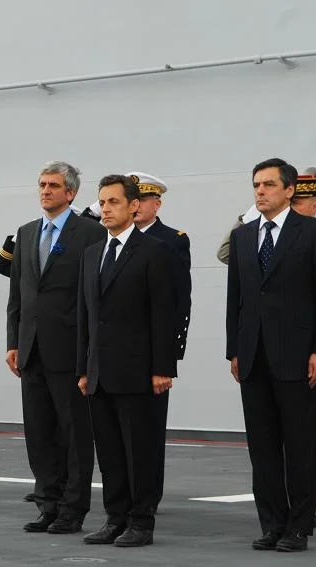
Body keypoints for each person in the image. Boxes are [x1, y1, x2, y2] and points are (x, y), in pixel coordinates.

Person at [216, 171, 316, 529]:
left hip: (298, 357)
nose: (260, 191)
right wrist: (234, 350)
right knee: (262, 447)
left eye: (269, 185)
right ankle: (271, 525)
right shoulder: (244, 236)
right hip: (254, 356)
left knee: (301, 446)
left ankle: (299, 525)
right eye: (256, 185)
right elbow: (237, 299)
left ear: (289, 190)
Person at [77, 174, 176, 547]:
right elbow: (86, 317)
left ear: (134, 206)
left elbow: (163, 313)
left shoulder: (154, 251)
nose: (105, 209)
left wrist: (163, 368)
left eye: (113, 202)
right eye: (102, 202)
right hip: (100, 371)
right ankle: (115, 518)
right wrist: (83, 369)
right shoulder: (92, 254)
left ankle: (141, 522)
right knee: (110, 452)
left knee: (140, 451)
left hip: (138, 370)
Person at [6, 161, 105, 534]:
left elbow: (95, 297)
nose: (45, 191)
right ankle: (47, 503)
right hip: (31, 350)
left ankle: (72, 509)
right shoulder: (27, 233)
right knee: (40, 433)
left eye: (53, 185)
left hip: (70, 351)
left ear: (71, 192)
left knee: (75, 434)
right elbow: (18, 293)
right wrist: (13, 342)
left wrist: (90, 352)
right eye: (42, 184)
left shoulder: (90, 233)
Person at [126, 172, 191, 508]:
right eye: (132, 200)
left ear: (157, 204)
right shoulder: (112, 240)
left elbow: (179, 301)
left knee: (149, 428)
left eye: (144, 200)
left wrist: (169, 355)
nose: (137, 206)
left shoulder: (171, 240)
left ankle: (148, 496)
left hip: (152, 350)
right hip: (117, 350)